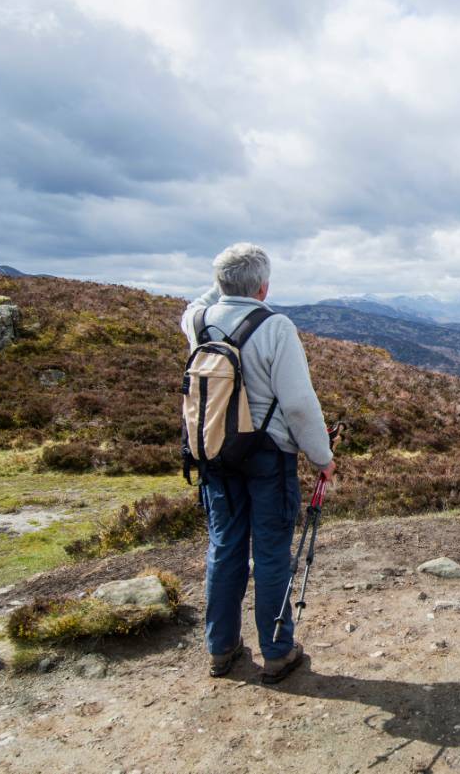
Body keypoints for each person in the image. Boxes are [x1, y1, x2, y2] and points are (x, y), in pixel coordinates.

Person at [181, 242, 336, 683]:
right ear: (264, 287)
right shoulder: (274, 327)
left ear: (221, 283)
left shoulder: (196, 322)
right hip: (268, 458)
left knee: (225, 547)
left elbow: (200, 299)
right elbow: (300, 405)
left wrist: (222, 285)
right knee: (269, 553)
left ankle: (221, 649)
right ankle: (277, 652)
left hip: (214, 455)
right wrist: (322, 457)